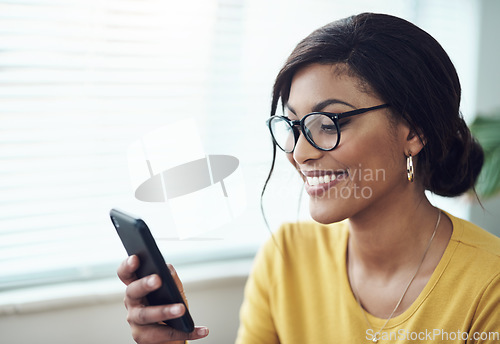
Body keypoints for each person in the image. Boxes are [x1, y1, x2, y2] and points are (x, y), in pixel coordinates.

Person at [117, 13, 500, 343]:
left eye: (328, 122)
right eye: (294, 125)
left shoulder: (489, 286)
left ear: (413, 132)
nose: (299, 153)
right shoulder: (286, 257)